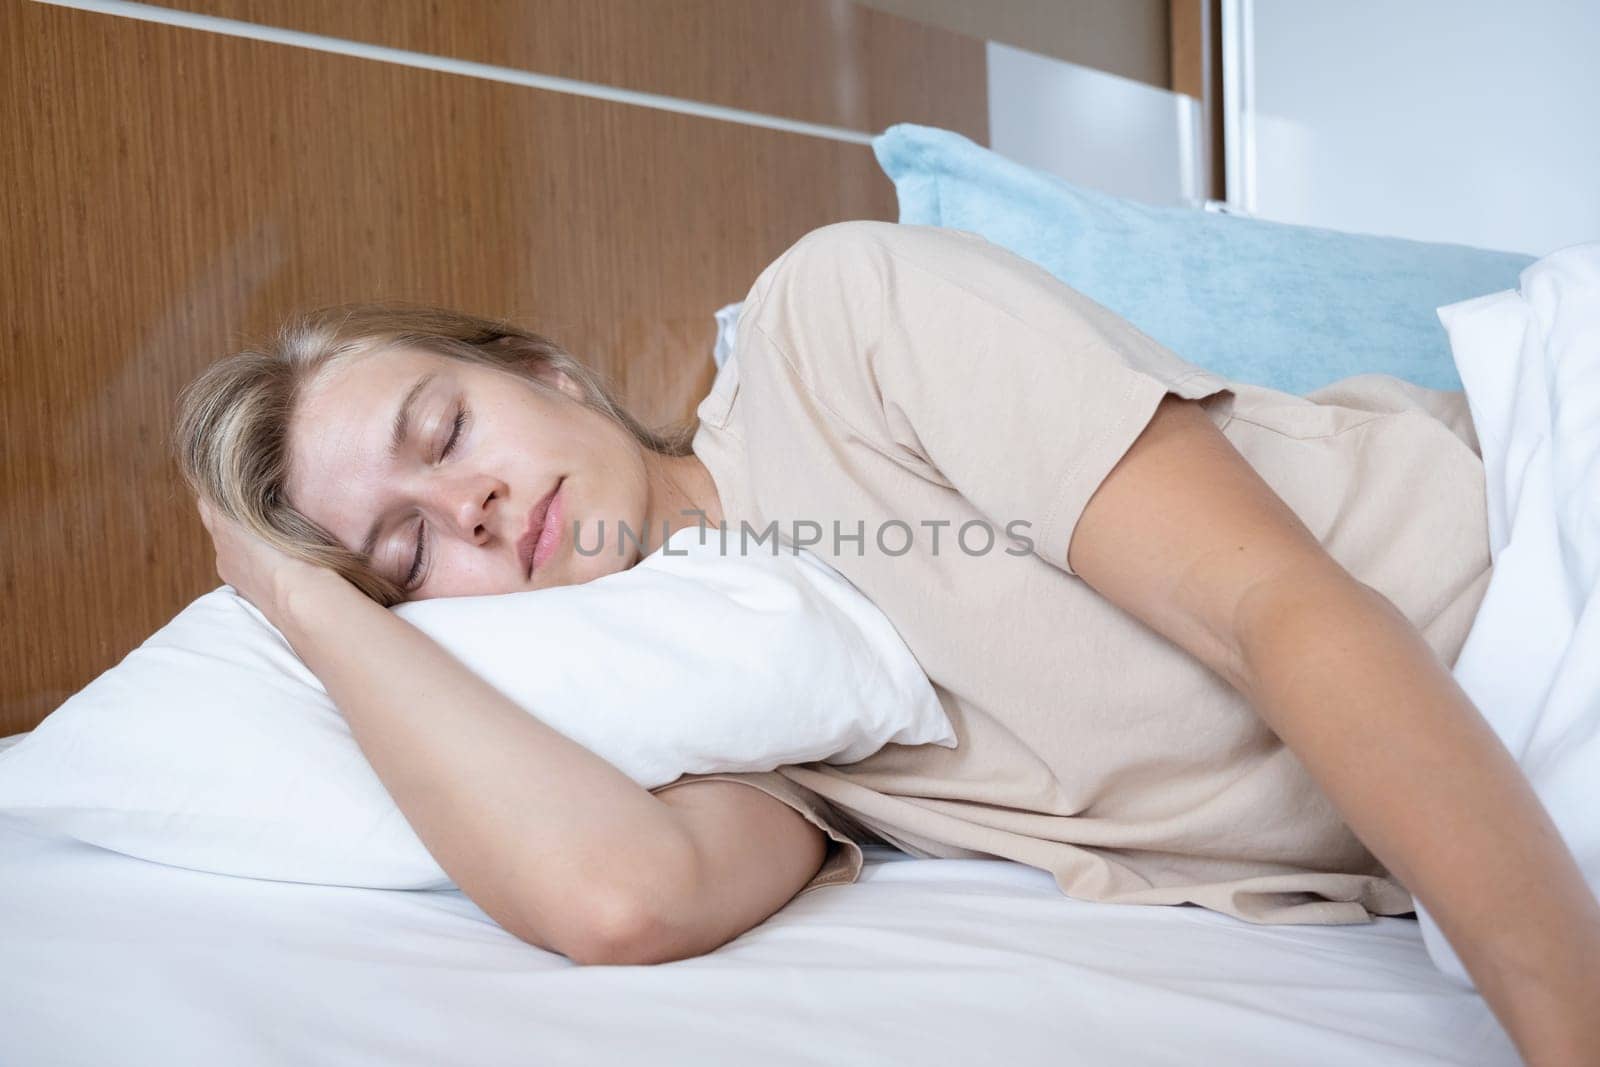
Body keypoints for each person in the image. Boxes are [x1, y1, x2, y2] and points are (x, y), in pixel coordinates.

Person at [175, 221, 1599, 1064]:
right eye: (408, 553)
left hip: (1536, 553)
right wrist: (307, 609)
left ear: (547, 374)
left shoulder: (832, 327)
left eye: (447, 433)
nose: (468, 509)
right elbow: (622, 903)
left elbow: (1278, 609)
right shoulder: (745, 702)